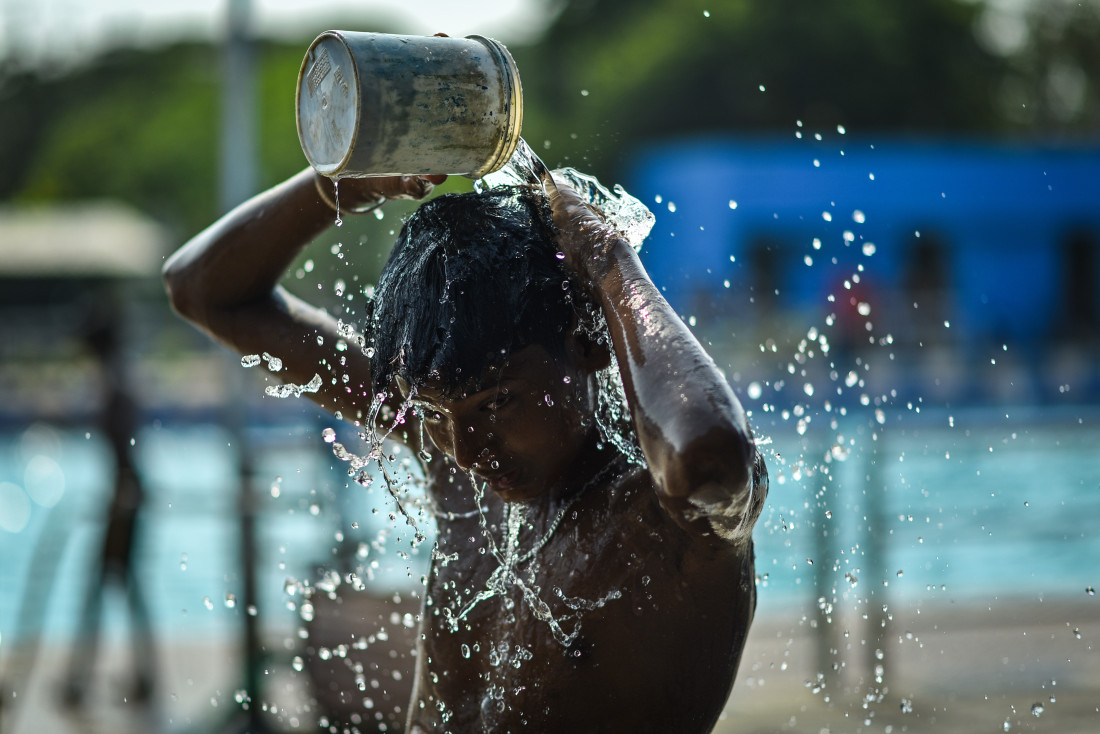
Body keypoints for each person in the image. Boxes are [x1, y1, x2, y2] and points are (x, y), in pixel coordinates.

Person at [163, 159, 768, 732]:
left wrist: (607, 259)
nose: (466, 451)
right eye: (431, 412)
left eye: (498, 403)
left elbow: (710, 455)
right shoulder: (452, 458)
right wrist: (347, 181)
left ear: (588, 339)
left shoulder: (668, 523)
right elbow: (201, 290)